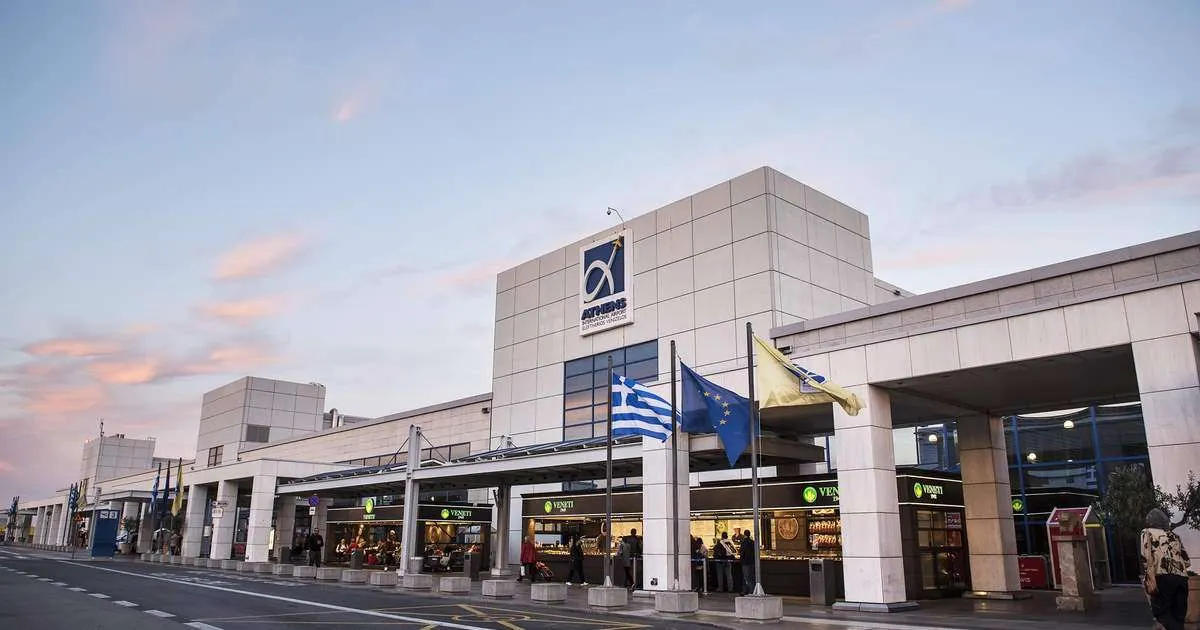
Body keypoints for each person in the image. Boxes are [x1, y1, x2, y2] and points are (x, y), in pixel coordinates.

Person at [1141, 508, 1191, 630]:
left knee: (1162, 613)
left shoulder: (1146, 533)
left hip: (1162, 577)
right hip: (1181, 578)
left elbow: (1146, 556)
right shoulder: (1174, 536)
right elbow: (1187, 561)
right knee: (1179, 615)